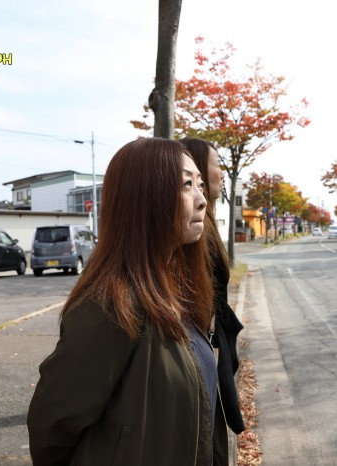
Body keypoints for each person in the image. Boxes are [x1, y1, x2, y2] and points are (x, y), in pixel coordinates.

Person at [27, 137, 217, 466]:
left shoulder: (174, 288)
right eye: (187, 185)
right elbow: (52, 425)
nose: (202, 200)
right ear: (145, 198)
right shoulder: (110, 304)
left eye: (200, 185)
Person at [180, 138, 246, 458]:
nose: (222, 173)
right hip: (195, 360)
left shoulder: (204, 225)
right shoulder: (194, 234)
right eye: (216, 165)